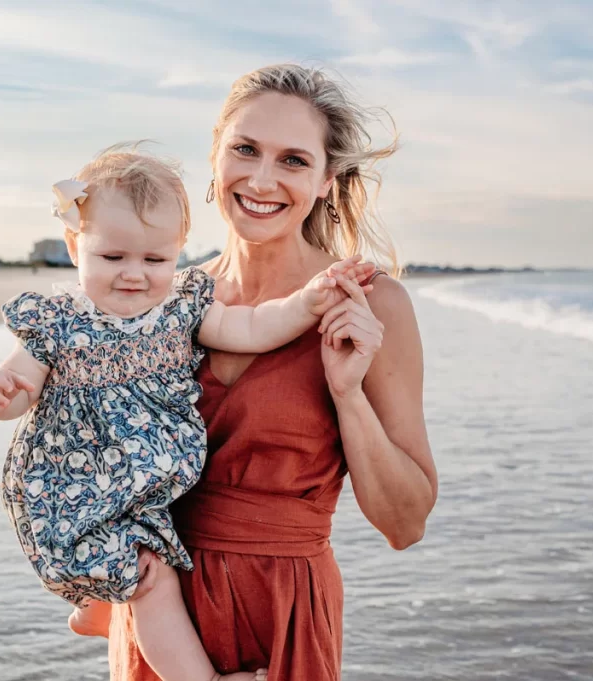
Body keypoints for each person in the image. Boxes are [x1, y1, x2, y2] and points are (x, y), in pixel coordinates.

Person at [0, 146, 374, 681]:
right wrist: (4, 394)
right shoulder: (60, 322)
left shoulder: (181, 309)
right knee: (149, 580)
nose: (134, 276)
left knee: (140, 569)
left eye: (154, 260)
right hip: (78, 487)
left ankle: (94, 603)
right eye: (113, 258)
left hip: (150, 487)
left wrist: (304, 304)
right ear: (76, 248)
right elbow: (24, 384)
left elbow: (251, 328)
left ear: (178, 253)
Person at [105, 64, 439, 681]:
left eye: (292, 160)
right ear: (215, 155)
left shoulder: (370, 303)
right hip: (160, 618)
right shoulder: (163, 297)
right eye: (246, 149)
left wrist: (347, 394)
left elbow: (405, 523)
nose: (262, 179)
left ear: (325, 180)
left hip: (283, 614)